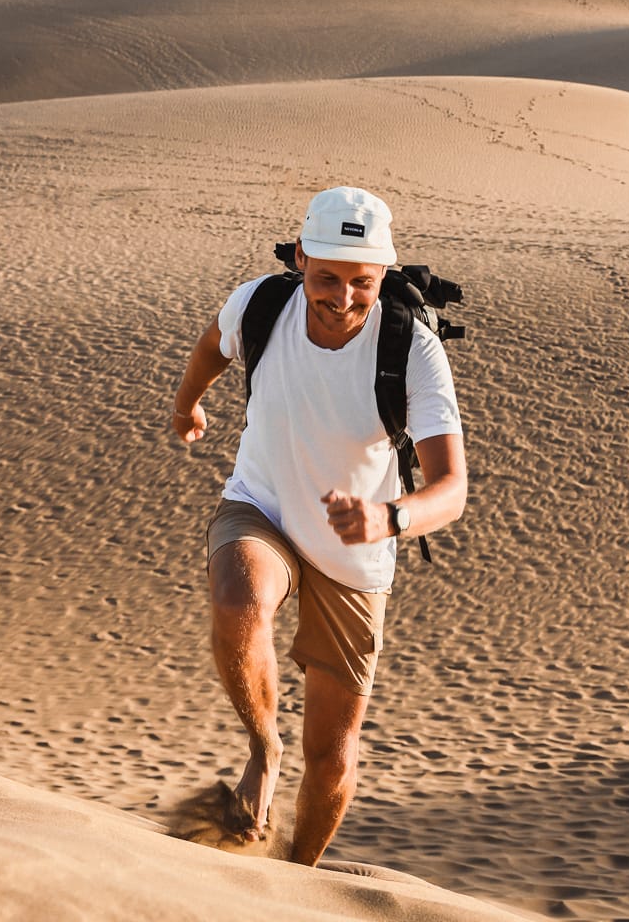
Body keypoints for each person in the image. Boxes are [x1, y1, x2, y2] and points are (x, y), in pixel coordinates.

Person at [171, 186, 467, 866]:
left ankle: (296, 881)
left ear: (383, 273)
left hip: (355, 551)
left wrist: (389, 517)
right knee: (238, 601)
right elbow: (214, 346)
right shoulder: (261, 303)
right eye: (327, 277)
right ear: (301, 257)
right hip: (264, 504)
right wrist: (188, 405)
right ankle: (262, 749)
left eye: (361, 281)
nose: (342, 297)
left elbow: (451, 490)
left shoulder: (412, 350)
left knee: (332, 756)